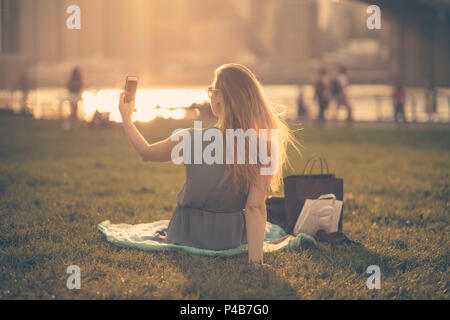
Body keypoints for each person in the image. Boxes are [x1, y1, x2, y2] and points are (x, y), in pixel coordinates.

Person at [117, 63, 300, 269]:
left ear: (220, 98)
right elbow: (255, 207)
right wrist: (256, 262)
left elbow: (146, 152)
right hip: (230, 239)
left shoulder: (190, 138)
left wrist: (126, 116)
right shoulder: (265, 146)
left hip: (185, 234)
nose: (210, 95)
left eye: (212, 90)